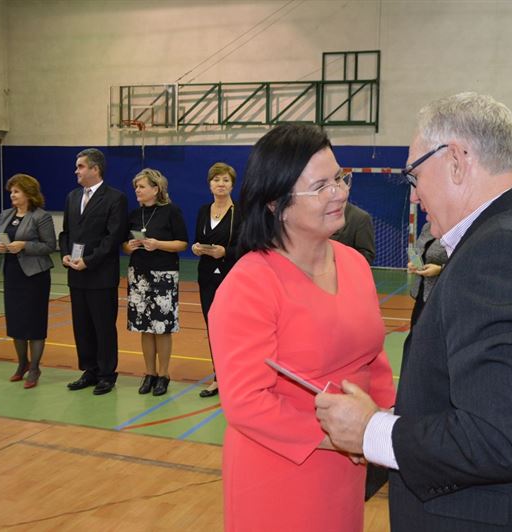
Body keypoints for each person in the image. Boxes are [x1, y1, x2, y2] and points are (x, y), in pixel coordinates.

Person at [316, 92, 512, 531]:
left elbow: (494, 439)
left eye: (415, 175)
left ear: (456, 160)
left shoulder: (501, 250)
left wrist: (371, 431)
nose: (415, 193)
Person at [208, 124, 396, 532]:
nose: (340, 193)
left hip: (346, 466)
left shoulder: (353, 263)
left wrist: (381, 424)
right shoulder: (250, 283)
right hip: (279, 475)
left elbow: (372, 358)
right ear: (277, 204)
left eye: (339, 178)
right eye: (321, 186)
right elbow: (246, 402)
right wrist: (345, 436)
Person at [59, 148, 128, 396]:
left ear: (95, 169)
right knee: (82, 326)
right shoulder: (72, 196)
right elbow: (66, 232)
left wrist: (89, 261)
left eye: (80, 166)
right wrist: (65, 254)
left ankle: (107, 374)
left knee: (103, 326)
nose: (76, 171)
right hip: (76, 274)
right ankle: (89, 370)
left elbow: (113, 237)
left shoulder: (115, 198)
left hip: (100, 274)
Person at [123, 168, 188, 396]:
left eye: (141, 186)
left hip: (164, 275)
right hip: (138, 275)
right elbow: (124, 244)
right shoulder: (134, 214)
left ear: (155, 189)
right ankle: (149, 373)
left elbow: (182, 243)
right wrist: (129, 246)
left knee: (162, 328)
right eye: (136, 187)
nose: (137, 190)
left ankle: (163, 375)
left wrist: (157, 244)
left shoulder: (171, 211)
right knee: (144, 327)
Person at [0, 174, 56, 388]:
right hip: (12, 273)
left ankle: (35, 368)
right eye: (11, 191)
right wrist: (1, 246)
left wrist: (24, 245)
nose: (12, 195)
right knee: (16, 321)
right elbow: (2, 238)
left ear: (29, 193)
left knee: (34, 323)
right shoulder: (6, 214)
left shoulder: (41, 216)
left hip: (35, 277)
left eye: (16, 191)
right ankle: (22, 364)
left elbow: (50, 245)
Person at [190, 162, 241, 398]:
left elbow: (248, 246)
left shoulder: (241, 212)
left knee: (233, 330)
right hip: (207, 277)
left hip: (232, 278)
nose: (220, 184)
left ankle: (236, 378)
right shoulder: (203, 210)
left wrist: (225, 252)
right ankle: (219, 377)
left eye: (225, 180)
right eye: (216, 180)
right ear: (209, 184)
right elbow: (198, 238)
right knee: (213, 328)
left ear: (232, 185)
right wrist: (196, 248)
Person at [407, 221, 447, 329]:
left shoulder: (458, 230)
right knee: (415, 331)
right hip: (421, 293)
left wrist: (440, 269)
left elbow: (464, 263)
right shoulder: (427, 226)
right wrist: (414, 263)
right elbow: (417, 251)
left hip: (441, 296)